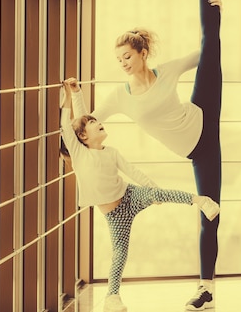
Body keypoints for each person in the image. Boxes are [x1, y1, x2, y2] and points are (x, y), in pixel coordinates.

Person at [69, 0, 223, 311]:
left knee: (211, 44)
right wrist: (75, 96)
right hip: (199, 150)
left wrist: (217, 18)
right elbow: (86, 122)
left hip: (204, 112)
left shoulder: (167, 71)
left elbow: (203, 53)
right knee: (210, 209)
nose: (122, 63)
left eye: (127, 56)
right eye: (118, 59)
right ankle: (207, 288)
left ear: (141, 54)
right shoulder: (120, 97)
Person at [60, 79, 220, 312]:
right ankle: (112, 298)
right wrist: (72, 94)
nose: (98, 122)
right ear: (83, 137)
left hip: (129, 195)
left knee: (159, 193)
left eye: (98, 120)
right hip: (115, 215)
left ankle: (201, 201)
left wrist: (152, 189)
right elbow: (70, 125)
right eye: (93, 124)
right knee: (120, 253)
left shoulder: (111, 152)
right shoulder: (79, 155)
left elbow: (132, 172)